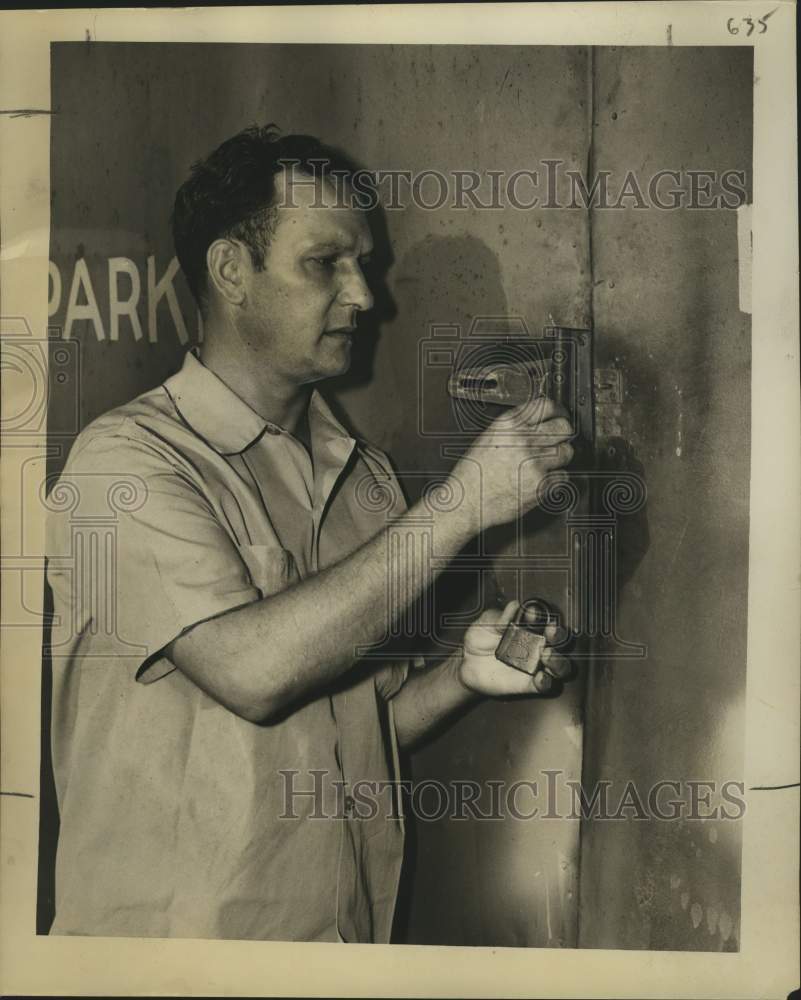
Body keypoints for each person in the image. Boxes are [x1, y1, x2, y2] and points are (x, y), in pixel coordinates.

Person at [45, 125, 575, 942]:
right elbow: (253, 672)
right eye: (324, 263)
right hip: (171, 962)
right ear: (231, 272)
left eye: (361, 264)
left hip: (343, 946)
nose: (363, 296)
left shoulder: (362, 479)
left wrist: (461, 679)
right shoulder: (124, 463)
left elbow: (353, 732)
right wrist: (464, 503)